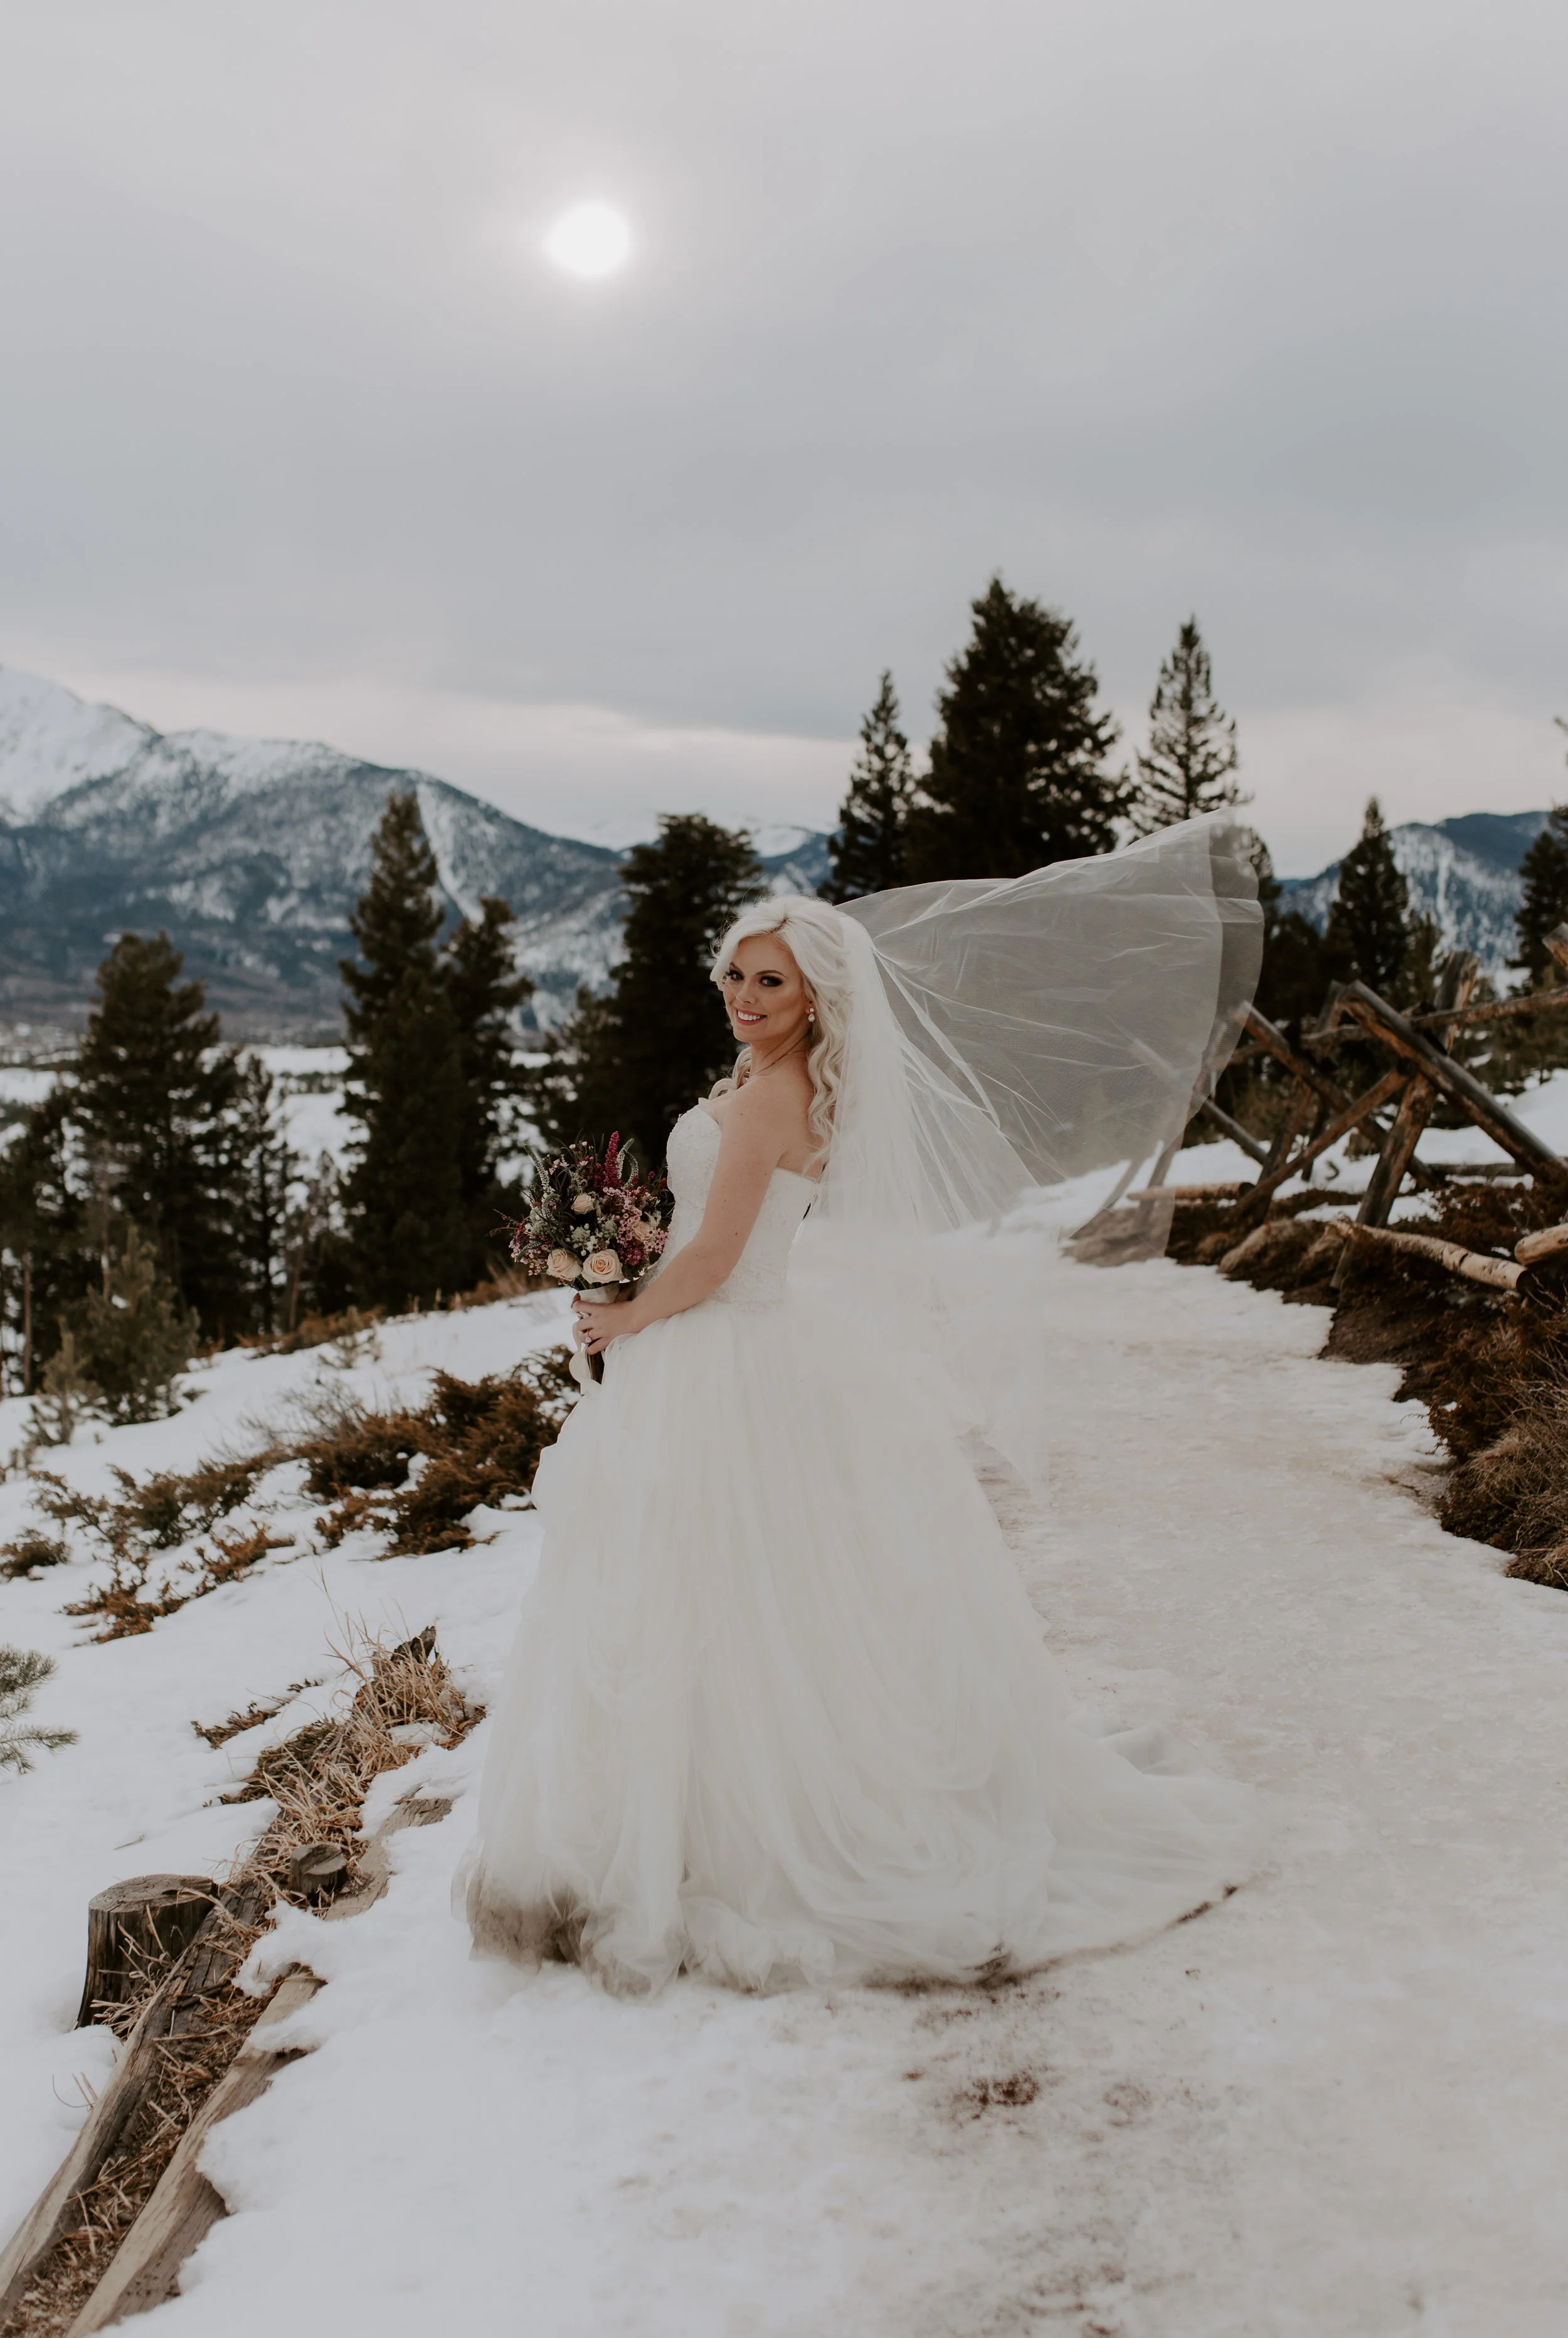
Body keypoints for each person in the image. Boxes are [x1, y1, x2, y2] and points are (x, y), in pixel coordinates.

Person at [458, 815, 1264, 1994]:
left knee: (725, 1607)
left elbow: (724, 1254)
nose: (743, 992)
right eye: (735, 971)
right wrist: (627, 1267)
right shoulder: (768, 1082)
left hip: (724, 1348)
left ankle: (730, 1841)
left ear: (816, 998)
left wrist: (627, 1312)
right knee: (725, 1600)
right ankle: (675, 1826)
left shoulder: (779, 1099)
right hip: (732, 1347)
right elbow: (708, 1233)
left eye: (770, 980)